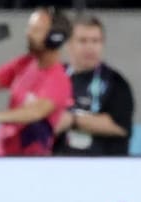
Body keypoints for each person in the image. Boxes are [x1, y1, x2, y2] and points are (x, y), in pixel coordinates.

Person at [0, 7, 74, 157]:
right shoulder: (25, 63)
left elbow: (35, 112)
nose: (28, 34)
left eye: (36, 30)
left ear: (55, 38)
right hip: (1, 155)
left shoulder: (59, 80)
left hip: (29, 162)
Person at [53, 15, 133, 156]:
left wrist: (73, 120)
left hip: (102, 165)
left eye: (95, 41)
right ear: (69, 44)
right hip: (58, 163)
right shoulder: (53, 77)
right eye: (83, 41)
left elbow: (119, 126)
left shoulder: (115, 82)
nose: (90, 47)